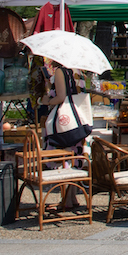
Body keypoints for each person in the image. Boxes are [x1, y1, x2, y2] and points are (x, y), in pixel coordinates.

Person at [40, 56, 94, 211]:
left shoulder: (60, 72)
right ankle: (70, 196)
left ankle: (68, 199)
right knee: (75, 157)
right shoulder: (79, 71)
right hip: (79, 119)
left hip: (66, 120)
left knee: (63, 156)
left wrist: (46, 101)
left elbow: (61, 97)